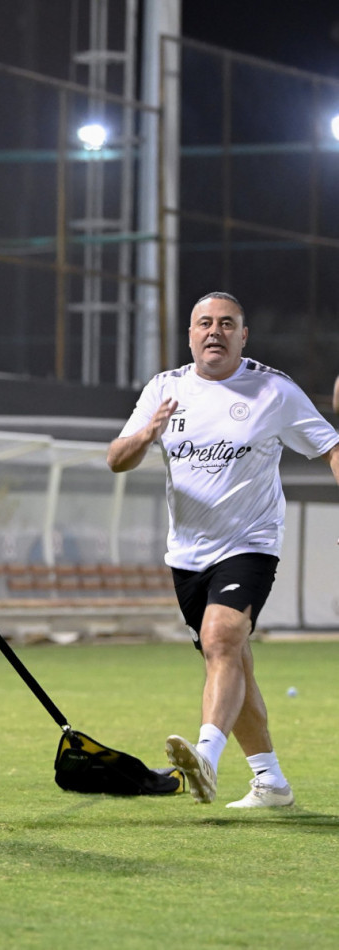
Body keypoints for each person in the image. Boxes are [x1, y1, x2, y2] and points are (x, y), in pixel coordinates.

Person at [107, 291, 339, 808]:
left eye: (227, 323)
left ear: (243, 335)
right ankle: (271, 781)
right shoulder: (164, 389)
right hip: (186, 555)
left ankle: (205, 759)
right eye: (205, 323)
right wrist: (146, 433)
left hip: (251, 542)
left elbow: (330, 446)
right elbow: (116, 459)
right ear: (190, 334)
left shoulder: (273, 389)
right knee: (233, 660)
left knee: (221, 636)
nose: (215, 331)